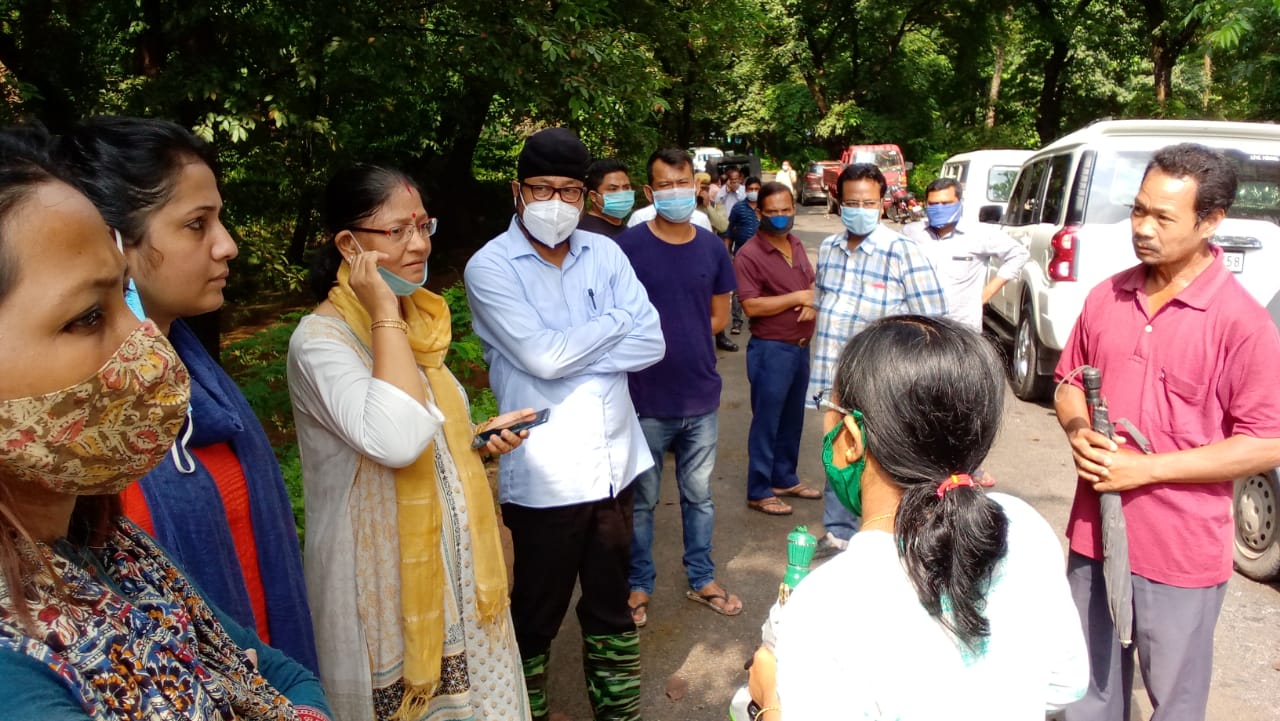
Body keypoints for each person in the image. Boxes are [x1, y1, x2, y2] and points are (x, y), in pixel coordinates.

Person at [0, 128, 332, 721]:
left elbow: (285, 676)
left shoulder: (113, 550)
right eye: (88, 317)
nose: (144, 343)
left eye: (125, 301)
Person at [748, 315, 1088, 721]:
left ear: (852, 440)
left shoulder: (828, 603)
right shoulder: (1024, 527)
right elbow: (1067, 681)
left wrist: (768, 699)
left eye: (829, 405)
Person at [288, 164, 532, 721]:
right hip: (384, 585)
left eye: (424, 226)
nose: (419, 244)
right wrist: (381, 312)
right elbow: (396, 439)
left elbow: (426, 437)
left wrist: (474, 443)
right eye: (397, 231)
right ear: (349, 244)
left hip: (460, 579)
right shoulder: (321, 342)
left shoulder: (416, 324)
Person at [1054, 143, 1280, 721]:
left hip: (1178, 549)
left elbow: (1266, 440)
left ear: (1211, 222)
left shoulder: (1242, 323)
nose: (1143, 229)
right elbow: (1068, 380)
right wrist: (1079, 426)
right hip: (1092, 536)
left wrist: (1146, 469)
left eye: (1163, 217)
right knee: (1087, 692)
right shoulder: (1108, 295)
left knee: (1174, 702)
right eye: (1137, 211)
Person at [464, 128, 665, 721]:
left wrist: (573, 346)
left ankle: (618, 713)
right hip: (546, 471)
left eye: (571, 191)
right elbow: (542, 358)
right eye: (543, 189)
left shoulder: (604, 251)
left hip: (614, 465)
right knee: (534, 613)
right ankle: (527, 712)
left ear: (586, 197)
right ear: (517, 190)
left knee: (611, 607)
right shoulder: (490, 267)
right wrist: (613, 324)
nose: (557, 203)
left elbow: (651, 341)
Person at [615, 148, 742, 627]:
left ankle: (701, 578)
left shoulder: (712, 248)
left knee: (699, 496)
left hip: (701, 398)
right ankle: (639, 585)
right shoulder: (626, 249)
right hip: (644, 400)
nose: (675, 192)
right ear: (650, 192)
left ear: (697, 185)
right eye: (664, 185)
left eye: (682, 182)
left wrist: (681, 335)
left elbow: (718, 318)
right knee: (642, 501)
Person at [805, 163, 946, 555]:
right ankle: (837, 534)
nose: (860, 209)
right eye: (852, 202)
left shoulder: (901, 252)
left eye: (868, 202)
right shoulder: (831, 250)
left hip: (883, 382)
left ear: (882, 204)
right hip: (835, 380)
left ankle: (890, 541)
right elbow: (825, 305)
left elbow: (932, 321)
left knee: (885, 464)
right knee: (839, 457)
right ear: (839, 202)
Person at [734, 182, 822, 516]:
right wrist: (798, 298)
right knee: (767, 422)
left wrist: (811, 301)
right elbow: (752, 306)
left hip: (800, 348)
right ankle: (759, 489)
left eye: (786, 210)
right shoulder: (749, 255)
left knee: (792, 419)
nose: (781, 217)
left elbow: (811, 283)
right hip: (771, 350)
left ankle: (784, 478)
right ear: (759, 213)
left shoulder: (795, 244)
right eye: (773, 212)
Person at [901, 176, 1029, 330]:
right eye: (933, 204)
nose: (939, 208)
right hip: (920, 327)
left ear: (959, 204)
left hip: (963, 329)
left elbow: (1019, 254)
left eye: (946, 203)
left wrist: (986, 294)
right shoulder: (911, 233)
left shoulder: (979, 234)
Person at [725, 176, 763, 337]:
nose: (754, 192)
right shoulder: (738, 208)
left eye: (757, 189)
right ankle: (737, 321)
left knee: (761, 288)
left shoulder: (766, 207)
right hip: (741, 254)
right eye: (751, 189)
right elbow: (729, 231)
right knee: (738, 289)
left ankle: (759, 319)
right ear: (745, 190)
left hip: (762, 255)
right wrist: (727, 253)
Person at [579, 158, 633, 238]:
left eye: (626, 187)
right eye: (613, 189)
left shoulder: (629, 232)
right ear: (594, 196)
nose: (622, 193)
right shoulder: (584, 234)